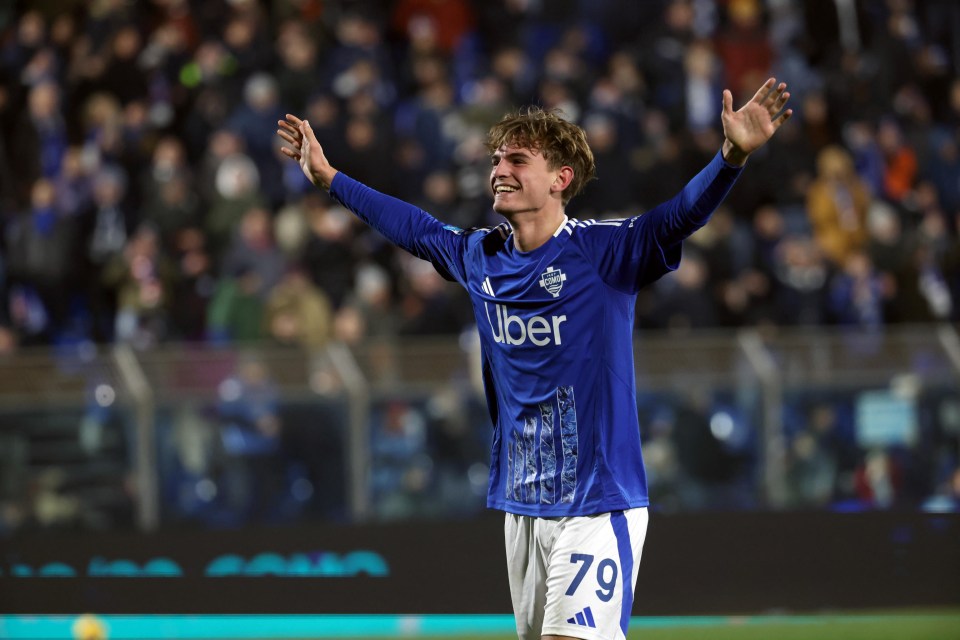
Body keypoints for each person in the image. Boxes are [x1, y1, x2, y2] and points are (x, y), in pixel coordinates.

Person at [278, 77, 792, 640]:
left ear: (560, 179)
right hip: (523, 503)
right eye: (497, 158)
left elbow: (677, 217)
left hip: (598, 501)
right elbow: (413, 227)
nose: (500, 168)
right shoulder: (480, 256)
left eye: (518, 159)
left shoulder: (602, 253)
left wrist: (731, 155)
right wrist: (330, 179)